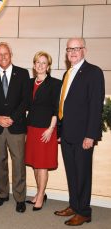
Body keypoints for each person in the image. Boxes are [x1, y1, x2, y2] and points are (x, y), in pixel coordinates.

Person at [54, 38, 105, 226]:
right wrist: (60, 131)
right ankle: (74, 205)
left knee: (82, 174)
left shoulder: (93, 72)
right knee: (72, 173)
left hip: (83, 135)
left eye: (77, 48)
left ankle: (84, 212)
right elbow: (65, 105)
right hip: (67, 134)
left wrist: (90, 135)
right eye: (69, 49)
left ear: (85, 50)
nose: (73, 52)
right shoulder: (68, 73)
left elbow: (95, 107)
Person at [0, 42, 29, 213]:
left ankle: (20, 198)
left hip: (16, 126)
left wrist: (12, 118)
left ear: (11, 54)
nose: (3, 57)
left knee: (18, 163)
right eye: (0, 54)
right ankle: (2, 194)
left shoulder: (23, 73)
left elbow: (26, 100)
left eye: (6, 54)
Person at [25, 51, 61, 211]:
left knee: (43, 165)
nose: (40, 65)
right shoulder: (29, 83)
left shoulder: (55, 84)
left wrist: (51, 129)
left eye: (44, 63)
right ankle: (40, 193)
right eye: (37, 62)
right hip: (32, 128)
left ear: (48, 67)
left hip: (46, 130)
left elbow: (56, 109)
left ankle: (40, 195)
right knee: (34, 164)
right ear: (34, 65)